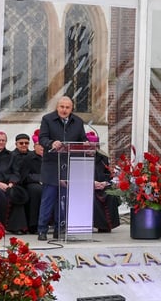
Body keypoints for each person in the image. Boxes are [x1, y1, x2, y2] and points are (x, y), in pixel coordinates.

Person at [38, 95, 88, 241]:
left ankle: (60, 229)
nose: (64, 110)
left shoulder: (78, 121)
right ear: (57, 107)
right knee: (48, 199)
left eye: (67, 107)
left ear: (72, 109)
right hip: (52, 165)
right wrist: (51, 143)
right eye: (62, 107)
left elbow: (82, 139)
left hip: (69, 165)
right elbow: (42, 138)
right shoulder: (47, 119)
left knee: (64, 200)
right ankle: (42, 229)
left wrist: (85, 145)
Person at [11, 132, 43, 234]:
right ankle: (27, 225)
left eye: (26, 143)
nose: (24, 145)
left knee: (36, 190)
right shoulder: (12, 155)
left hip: (29, 182)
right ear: (16, 144)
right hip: (17, 183)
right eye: (21, 143)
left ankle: (36, 224)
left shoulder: (31, 155)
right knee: (33, 190)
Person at [89, 131, 120, 233]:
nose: (92, 149)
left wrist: (105, 183)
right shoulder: (79, 157)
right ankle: (96, 224)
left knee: (111, 194)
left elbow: (108, 175)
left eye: (94, 147)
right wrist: (92, 183)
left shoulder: (103, 158)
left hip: (101, 185)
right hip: (87, 186)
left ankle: (106, 226)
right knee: (93, 198)